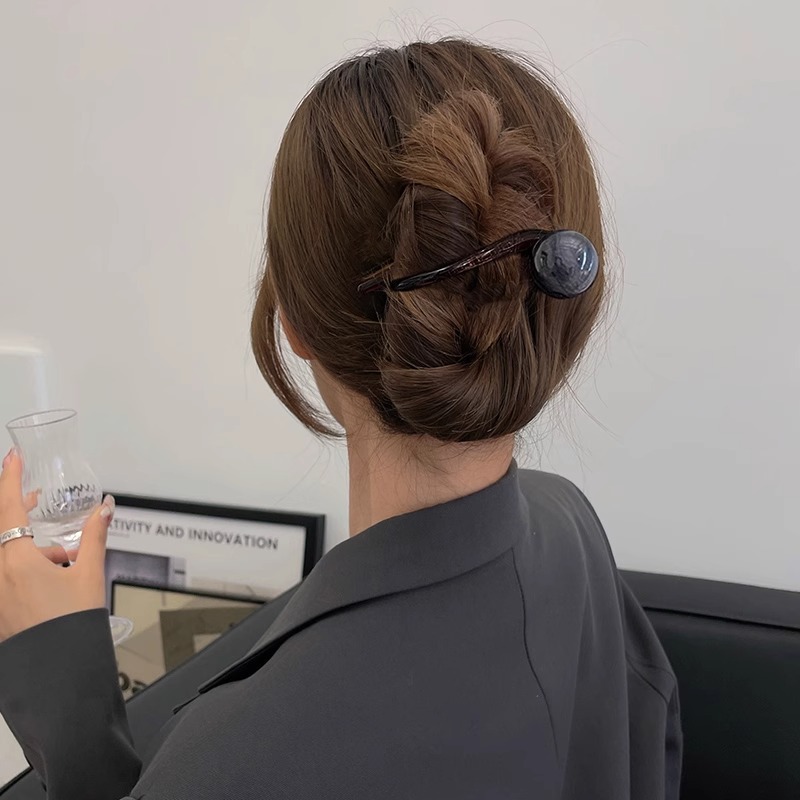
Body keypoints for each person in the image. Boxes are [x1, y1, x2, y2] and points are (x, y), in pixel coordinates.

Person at [0, 38, 681, 800]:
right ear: (561, 297)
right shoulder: (572, 527)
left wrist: (66, 711)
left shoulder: (245, 758)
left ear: (293, 324)